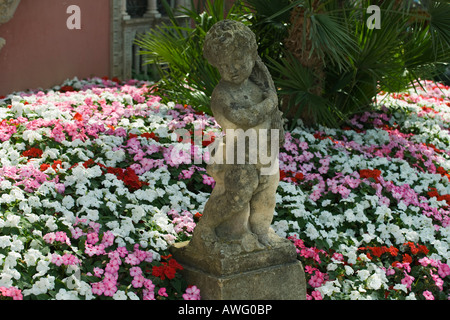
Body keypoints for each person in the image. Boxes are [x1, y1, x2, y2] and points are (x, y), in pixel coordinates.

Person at [190, 20, 285, 253]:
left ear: (252, 56)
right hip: (238, 154)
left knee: (266, 195)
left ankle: (261, 230)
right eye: (224, 65)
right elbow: (243, 118)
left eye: (237, 61)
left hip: (264, 152)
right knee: (237, 196)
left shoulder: (256, 84)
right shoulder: (222, 94)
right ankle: (207, 227)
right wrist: (270, 103)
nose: (231, 69)